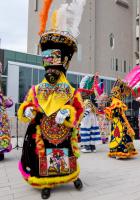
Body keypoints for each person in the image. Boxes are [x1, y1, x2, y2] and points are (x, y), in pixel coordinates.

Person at [17, 0, 85, 199]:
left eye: (56, 69)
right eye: (49, 68)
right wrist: (28, 110)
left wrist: (68, 113)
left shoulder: (71, 90)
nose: (52, 72)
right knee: (41, 155)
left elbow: (78, 111)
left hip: (63, 132)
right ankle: (46, 182)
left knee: (67, 153)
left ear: (62, 68)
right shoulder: (37, 89)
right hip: (42, 131)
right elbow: (28, 104)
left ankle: (72, 176)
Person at [104, 65, 140, 159]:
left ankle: (119, 152)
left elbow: (114, 114)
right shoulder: (116, 102)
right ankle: (118, 152)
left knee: (120, 136)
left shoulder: (116, 102)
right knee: (120, 136)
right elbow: (115, 113)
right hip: (118, 124)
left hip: (118, 123)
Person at [78, 74, 101, 153]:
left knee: (86, 131)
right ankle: (92, 147)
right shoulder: (89, 101)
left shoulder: (86, 101)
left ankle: (87, 147)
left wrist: (80, 118)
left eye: (82, 93)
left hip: (87, 120)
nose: (81, 94)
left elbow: (86, 111)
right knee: (91, 132)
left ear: (86, 94)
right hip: (91, 119)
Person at [0, 92, 13, 161]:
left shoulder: (2, 97)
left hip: (3, 123)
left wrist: (10, 100)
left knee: (3, 138)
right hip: (2, 122)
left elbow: (9, 104)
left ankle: (1, 154)